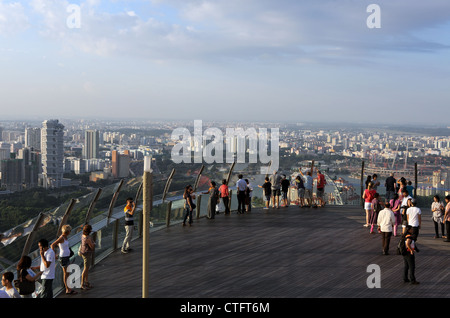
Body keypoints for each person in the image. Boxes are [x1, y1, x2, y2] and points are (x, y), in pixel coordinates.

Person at [51, 224, 77, 294]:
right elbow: (52, 245)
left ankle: (69, 288)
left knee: (67, 273)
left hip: (66, 257)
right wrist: (54, 254)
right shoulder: (62, 238)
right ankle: (68, 289)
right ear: (67, 231)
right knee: (66, 273)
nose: (70, 232)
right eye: (70, 231)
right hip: (63, 258)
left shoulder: (65, 237)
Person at [79, 224, 95, 290]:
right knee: (85, 269)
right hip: (87, 254)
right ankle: (82, 284)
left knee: (87, 268)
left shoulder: (83, 235)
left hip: (82, 252)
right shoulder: (88, 238)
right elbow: (92, 247)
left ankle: (86, 281)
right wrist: (93, 243)